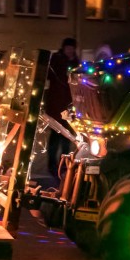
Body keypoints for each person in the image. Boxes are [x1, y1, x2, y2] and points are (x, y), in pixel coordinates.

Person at [43, 37, 81, 177]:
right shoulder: (57, 60)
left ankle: (63, 164)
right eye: (68, 48)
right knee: (55, 136)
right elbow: (50, 76)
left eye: (72, 48)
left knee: (67, 137)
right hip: (56, 106)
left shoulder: (76, 62)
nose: (70, 50)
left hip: (69, 107)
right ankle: (52, 164)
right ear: (64, 48)